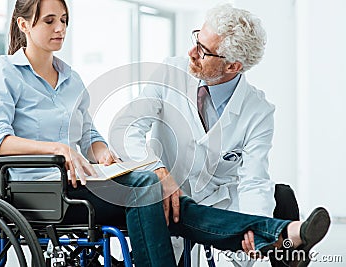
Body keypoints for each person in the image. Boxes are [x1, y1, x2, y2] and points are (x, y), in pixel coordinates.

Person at [0, 1, 330, 266]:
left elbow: (89, 134)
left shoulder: (71, 78)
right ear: (23, 23)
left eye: (64, 20)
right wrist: (59, 149)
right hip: (38, 189)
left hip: (83, 183)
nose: (61, 28)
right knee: (151, 186)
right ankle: (282, 232)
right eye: (50, 21)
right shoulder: (6, 72)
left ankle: (277, 232)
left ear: (233, 66)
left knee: (172, 199)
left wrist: (100, 152)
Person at [109, 3, 300, 267]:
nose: (191, 52)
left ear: (233, 66)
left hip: (217, 204)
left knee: (281, 200)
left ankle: (270, 233)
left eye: (203, 51)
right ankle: (286, 233)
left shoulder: (258, 110)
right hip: (161, 199)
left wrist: (254, 230)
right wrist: (157, 170)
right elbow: (125, 128)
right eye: (196, 39)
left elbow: (254, 181)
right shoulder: (169, 73)